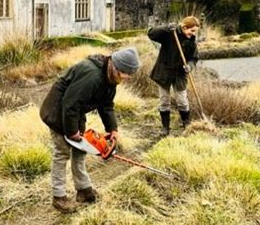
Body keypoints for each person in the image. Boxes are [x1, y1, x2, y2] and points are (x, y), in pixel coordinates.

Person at [40, 47, 141, 213]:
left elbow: (106, 105)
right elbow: (70, 103)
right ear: (117, 67)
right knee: (62, 152)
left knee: (81, 150)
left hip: (74, 112)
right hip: (58, 111)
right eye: (127, 73)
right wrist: (72, 132)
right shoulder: (92, 76)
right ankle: (59, 197)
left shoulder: (111, 78)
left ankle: (83, 190)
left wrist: (113, 129)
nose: (128, 78)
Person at [148, 16, 200, 136]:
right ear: (184, 27)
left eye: (195, 31)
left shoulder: (192, 41)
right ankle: (165, 128)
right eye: (191, 31)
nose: (193, 34)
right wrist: (166, 27)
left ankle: (186, 124)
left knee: (182, 101)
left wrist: (190, 66)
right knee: (164, 100)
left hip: (180, 75)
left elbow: (194, 58)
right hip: (163, 72)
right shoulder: (170, 32)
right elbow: (151, 33)